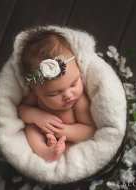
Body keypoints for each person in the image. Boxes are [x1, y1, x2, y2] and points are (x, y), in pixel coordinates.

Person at [18, 29, 96, 161]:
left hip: (70, 142)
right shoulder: (36, 97)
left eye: (73, 84)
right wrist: (35, 116)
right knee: (31, 129)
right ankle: (44, 151)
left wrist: (62, 131)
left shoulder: (79, 102)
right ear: (35, 90)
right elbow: (21, 110)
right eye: (54, 93)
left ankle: (59, 153)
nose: (68, 95)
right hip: (44, 135)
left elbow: (89, 131)